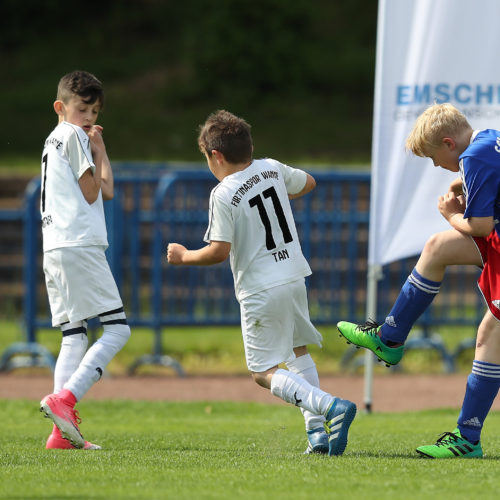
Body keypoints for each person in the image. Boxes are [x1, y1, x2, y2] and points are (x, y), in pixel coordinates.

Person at [167, 110, 356, 456]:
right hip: (294, 275)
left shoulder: (223, 193)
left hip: (260, 288)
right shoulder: (270, 167)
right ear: (250, 146)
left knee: (262, 371)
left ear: (215, 156)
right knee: (298, 351)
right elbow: (309, 182)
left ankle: (331, 407)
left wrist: (183, 256)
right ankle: (317, 434)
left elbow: (218, 251)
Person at [338, 103, 500, 458]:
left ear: (448, 143)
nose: (436, 166)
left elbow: (481, 227)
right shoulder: (488, 140)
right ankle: (389, 338)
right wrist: (462, 181)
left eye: (433, 157)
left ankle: (467, 439)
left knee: (491, 333)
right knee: (437, 247)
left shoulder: (474, 157)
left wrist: (451, 214)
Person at [39, 70, 131, 449]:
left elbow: (105, 189)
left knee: (73, 336)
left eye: (94, 110)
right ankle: (66, 399)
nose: (89, 117)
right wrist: (94, 150)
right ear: (61, 107)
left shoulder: (52, 140)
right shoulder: (73, 135)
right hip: (79, 243)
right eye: (82, 108)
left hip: (55, 246)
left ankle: (62, 434)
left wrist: (102, 153)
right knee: (117, 329)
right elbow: (95, 191)